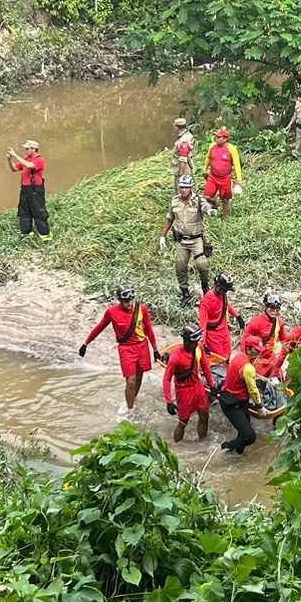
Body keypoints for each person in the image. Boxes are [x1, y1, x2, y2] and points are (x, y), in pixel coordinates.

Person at [80, 284, 159, 417]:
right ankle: (130, 410)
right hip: (126, 349)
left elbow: (149, 329)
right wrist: (85, 343)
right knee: (130, 380)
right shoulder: (111, 312)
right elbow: (100, 328)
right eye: (126, 301)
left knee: (139, 376)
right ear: (120, 300)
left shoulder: (142, 309)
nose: (130, 303)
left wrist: (155, 348)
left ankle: (132, 399)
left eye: (131, 300)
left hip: (142, 346)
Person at [158, 175, 214, 304]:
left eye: (186, 188)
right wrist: (162, 236)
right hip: (181, 241)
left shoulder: (198, 200)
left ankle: (205, 287)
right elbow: (169, 219)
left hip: (196, 240)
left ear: (191, 188)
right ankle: (185, 292)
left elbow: (205, 206)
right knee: (180, 266)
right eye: (182, 187)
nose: (184, 190)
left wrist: (209, 211)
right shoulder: (174, 201)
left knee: (202, 265)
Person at [161, 324, 211, 442]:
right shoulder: (175, 357)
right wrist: (169, 402)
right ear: (187, 342)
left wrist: (212, 385)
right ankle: (176, 446)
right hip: (184, 391)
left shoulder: (199, 348)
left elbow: (205, 367)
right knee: (183, 422)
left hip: (197, 386)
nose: (197, 344)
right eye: (194, 342)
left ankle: (202, 442)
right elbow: (166, 379)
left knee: (204, 415)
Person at [217, 339, 264, 454]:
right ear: (248, 349)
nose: (259, 353)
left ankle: (236, 456)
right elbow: (253, 391)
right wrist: (260, 407)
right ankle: (225, 448)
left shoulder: (239, 357)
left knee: (243, 434)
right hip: (231, 403)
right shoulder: (248, 367)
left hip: (238, 401)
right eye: (256, 350)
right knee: (249, 436)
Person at [198, 271, 242, 382]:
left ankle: (227, 378)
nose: (226, 292)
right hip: (213, 336)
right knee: (219, 360)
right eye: (225, 290)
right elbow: (202, 325)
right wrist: (203, 344)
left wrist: (237, 316)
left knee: (227, 357)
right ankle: (214, 380)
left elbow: (226, 305)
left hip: (224, 332)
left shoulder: (223, 295)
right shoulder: (206, 302)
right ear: (217, 287)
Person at [6, 140, 50, 240]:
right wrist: (10, 159)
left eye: (27, 149)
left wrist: (16, 155)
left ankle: (45, 235)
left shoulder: (39, 160)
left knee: (38, 211)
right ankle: (27, 233)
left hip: (35, 190)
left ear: (34, 149)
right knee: (24, 212)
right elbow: (14, 169)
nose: (26, 150)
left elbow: (29, 166)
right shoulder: (26, 159)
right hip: (25, 190)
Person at [242, 293, 286, 376]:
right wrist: (246, 360)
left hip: (270, 356)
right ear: (265, 307)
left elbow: (284, 340)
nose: (275, 310)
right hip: (257, 357)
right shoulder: (256, 322)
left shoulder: (279, 323)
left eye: (277, 308)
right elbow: (245, 340)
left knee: (277, 378)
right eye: (272, 307)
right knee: (260, 381)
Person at [204, 128, 244, 216]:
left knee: (225, 200)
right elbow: (208, 158)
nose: (216, 139)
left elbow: (237, 165)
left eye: (219, 137)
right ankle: (215, 203)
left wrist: (239, 179)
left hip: (225, 178)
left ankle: (226, 218)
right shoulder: (212, 146)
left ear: (225, 139)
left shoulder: (232, 149)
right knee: (207, 197)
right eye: (216, 137)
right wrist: (204, 169)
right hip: (213, 177)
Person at [170, 117, 196, 193]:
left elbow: (183, 159)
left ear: (176, 127)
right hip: (187, 166)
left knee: (183, 190)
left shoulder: (183, 141)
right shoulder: (189, 135)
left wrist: (181, 174)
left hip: (184, 168)